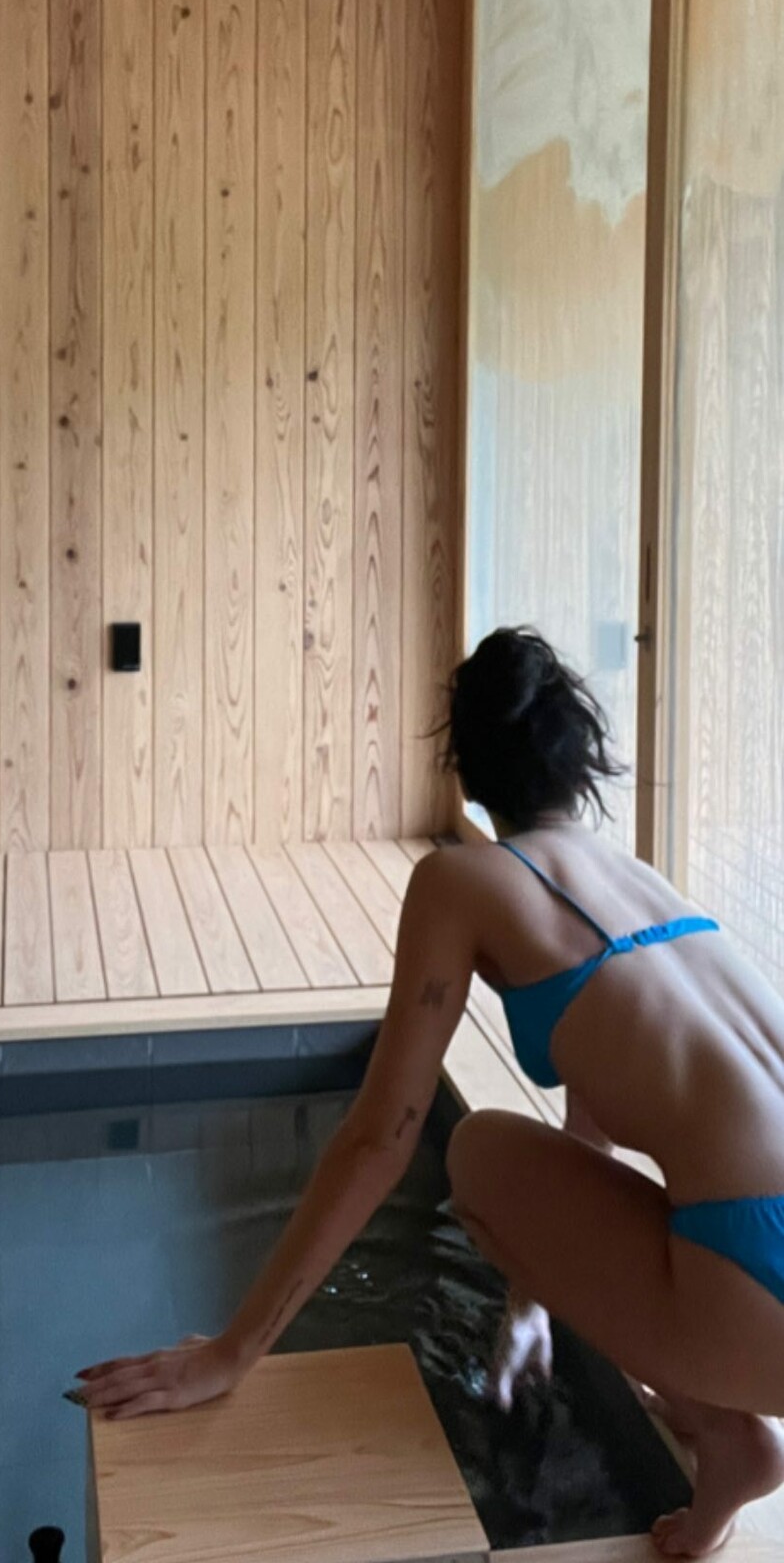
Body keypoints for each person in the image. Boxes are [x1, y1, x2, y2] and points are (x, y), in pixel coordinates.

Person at [73, 627, 784, 1558]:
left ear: (469, 776)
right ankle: (722, 1427)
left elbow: (381, 1137)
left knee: (479, 1153)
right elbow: (593, 1128)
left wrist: (232, 1351)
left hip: (758, 1281)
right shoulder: (641, 882)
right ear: (579, 763)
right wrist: (536, 1299)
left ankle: (729, 1429)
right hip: (758, 1260)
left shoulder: (461, 878)